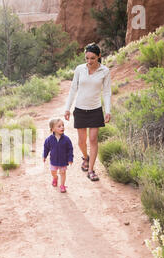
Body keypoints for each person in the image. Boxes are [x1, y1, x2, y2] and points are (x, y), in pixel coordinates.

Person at [63, 42, 111, 181]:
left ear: (99, 56)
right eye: (87, 58)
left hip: (95, 110)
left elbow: (107, 92)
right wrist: (67, 108)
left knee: (93, 139)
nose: (89, 61)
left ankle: (91, 170)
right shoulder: (79, 69)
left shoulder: (105, 71)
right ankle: (85, 156)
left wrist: (108, 110)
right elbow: (73, 89)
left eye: (93, 58)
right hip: (80, 109)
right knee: (81, 141)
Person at [43, 118, 74, 193]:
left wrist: (70, 159)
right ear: (53, 129)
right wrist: (44, 156)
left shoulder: (66, 139)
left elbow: (70, 149)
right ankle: (55, 178)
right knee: (53, 172)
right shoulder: (49, 139)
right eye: (59, 126)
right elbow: (46, 148)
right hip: (53, 160)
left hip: (63, 160)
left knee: (63, 173)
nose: (62, 127)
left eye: (63, 125)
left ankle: (62, 185)